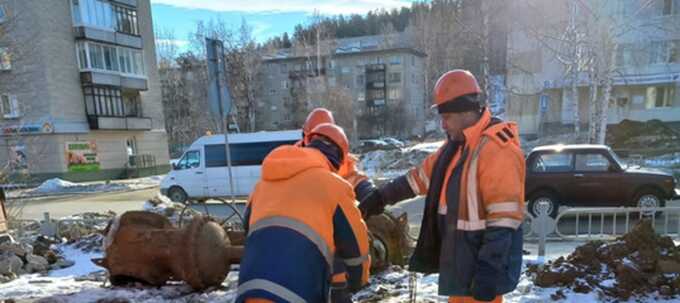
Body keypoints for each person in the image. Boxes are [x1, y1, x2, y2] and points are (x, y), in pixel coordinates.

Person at [359, 70, 525, 303]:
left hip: (479, 270)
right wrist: (380, 197)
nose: (442, 125)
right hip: (462, 267)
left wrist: (489, 270)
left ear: (465, 111)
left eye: (446, 117)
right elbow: (416, 179)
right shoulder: (455, 149)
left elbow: (504, 218)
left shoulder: (497, 150)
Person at [237, 123, 370, 303]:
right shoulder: (334, 186)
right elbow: (356, 248)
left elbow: (248, 232)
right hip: (297, 291)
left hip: (249, 290)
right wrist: (358, 280)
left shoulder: (260, 188)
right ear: (339, 158)